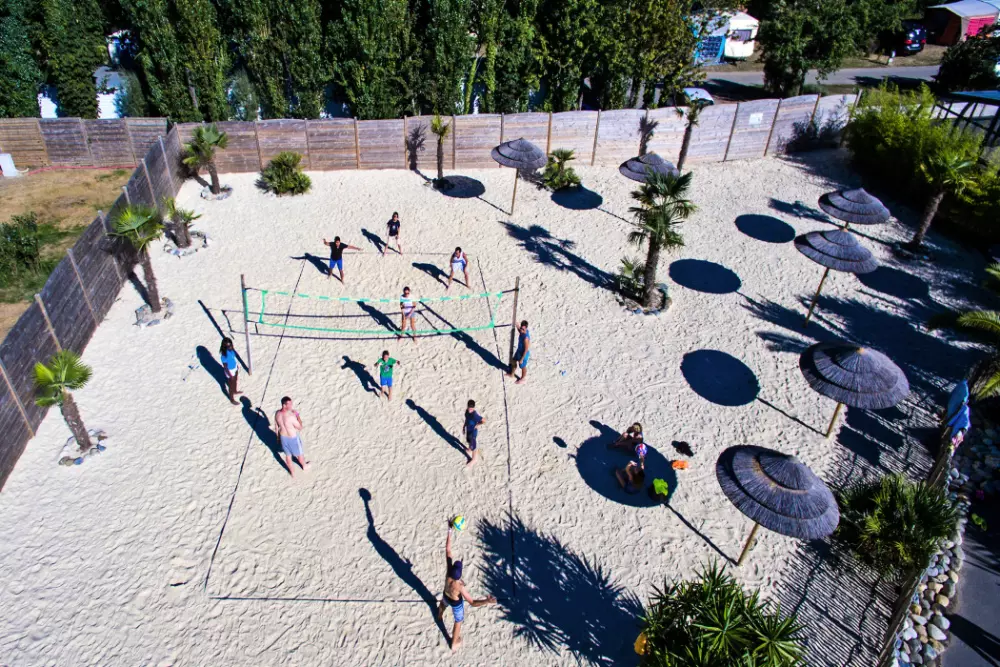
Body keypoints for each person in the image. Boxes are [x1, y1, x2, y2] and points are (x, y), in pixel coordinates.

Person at [437, 523, 497, 651]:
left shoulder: (448, 573)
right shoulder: (460, 587)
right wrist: (486, 601)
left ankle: (439, 615)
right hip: (456, 603)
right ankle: (454, 643)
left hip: (446, 595)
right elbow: (472, 602)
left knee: (443, 604)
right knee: (458, 621)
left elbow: (448, 550)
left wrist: (449, 531)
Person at [274, 396, 309, 477]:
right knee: (299, 454)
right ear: (284, 405)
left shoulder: (277, 413)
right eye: (289, 404)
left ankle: (292, 473)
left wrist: (278, 438)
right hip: (293, 438)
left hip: (283, 437)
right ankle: (304, 466)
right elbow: (300, 427)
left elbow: (276, 427)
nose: (291, 406)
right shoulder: (291, 416)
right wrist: (297, 415)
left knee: (288, 456)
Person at [462, 399, 485, 467]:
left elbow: (484, 420)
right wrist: (464, 427)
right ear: (467, 406)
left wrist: (478, 424)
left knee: (474, 445)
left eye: (472, 409)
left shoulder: (475, 415)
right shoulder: (467, 411)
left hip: (473, 431)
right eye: (469, 408)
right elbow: (466, 419)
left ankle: (474, 459)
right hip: (468, 429)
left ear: (474, 408)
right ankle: (469, 450)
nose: (470, 410)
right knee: (469, 441)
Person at [219, 337, 242, 405]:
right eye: (229, 346)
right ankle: (232, 399)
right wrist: (230, 375)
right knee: (231, 386)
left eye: (231, 345)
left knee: (235, 381)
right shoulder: (224, 356)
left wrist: (236, 366)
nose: (231, 346)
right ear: (225, 347)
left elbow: (233, 358)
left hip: (234, 368)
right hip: (229, 371)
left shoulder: (231, 350)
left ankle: (235, 391)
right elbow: (225, 367)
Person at [508, 320, 531, 384]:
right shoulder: (522, 331)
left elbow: (526, 349)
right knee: (513, 361)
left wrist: (522, 359)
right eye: (521, 328)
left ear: (526, 328)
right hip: (519, 350)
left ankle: (523, 379)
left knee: (523, 366)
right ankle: (512, 374)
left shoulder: (526, 338)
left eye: (523, 329)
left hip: (523, 354)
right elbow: (520, 330)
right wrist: (517, 325)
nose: (521, 330)